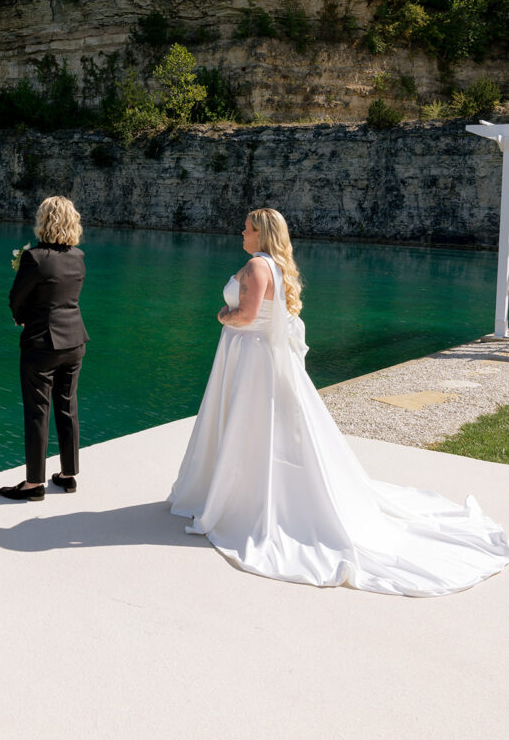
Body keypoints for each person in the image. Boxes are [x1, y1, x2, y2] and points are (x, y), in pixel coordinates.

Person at [169, 208, 509, 596]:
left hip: (249, 356)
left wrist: (222, 316)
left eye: (246, 228)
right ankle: (247, 487)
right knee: (264, 425)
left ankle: (243, 496)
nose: (241, 233)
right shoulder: (275, 266)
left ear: (261, 234)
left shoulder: (256, 267)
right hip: (257, 355)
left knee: (249, 422)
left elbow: (246, 317)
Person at [0, 196, 89, 502]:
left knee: (38, 411)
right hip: (75, 340)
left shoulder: (34, 258)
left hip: (42, 344)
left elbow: (16, 298)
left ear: (44, 221)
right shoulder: (78, 256)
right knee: (67, 406)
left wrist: (21, 318)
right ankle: (68, 475)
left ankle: (34, 483)